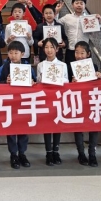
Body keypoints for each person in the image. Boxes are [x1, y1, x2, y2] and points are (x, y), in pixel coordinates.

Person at [0, 41, 32, 169]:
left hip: (24, 103)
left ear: (22, 54)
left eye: (16, 53)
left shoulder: (27, 67)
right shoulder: (3, 67)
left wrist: (32, 81)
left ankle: (22, 153)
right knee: (11, 130)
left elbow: (35, 82)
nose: (13, 55)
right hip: (10, 104)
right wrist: (5, 82)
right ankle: (13, 155)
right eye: (10, 53)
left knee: (23, 129)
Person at [36, 38, 67, 166]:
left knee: (57, 124)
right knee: (47, 125)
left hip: (58, 98)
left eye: (52, 47)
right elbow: (38, 82)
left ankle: (56, 151)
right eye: (46, 47)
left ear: (57, 49)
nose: (49, 50)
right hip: (46, 98)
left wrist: (57, 79)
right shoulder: (40, 65)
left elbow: (66, 81)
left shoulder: (62, 65)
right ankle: (48, 152)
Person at [71, 41, 101, 167]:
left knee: (93, 126)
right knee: (78, 127)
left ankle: (92, 154)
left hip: (91, 100)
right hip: (77, 101)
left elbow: (99, 82)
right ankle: (81, 153)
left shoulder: (93, 66)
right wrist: (71, 82)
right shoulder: (71, 66)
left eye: (82, 53)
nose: (79, 56)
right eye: (76, 52)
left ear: (88, 54)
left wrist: (99, 75)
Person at [58, 0, 101, 65]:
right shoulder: (67, 17)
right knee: (70, 70)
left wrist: (97, 23)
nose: (79, 5)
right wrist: (56, 11)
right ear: (72, 5)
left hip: (84, 52)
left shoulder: (89, 19)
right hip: (70, 50)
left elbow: (94, 34)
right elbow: (56, 24)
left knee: (84, 70)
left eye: (81, 3)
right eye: (77, 3)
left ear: (84, 5)